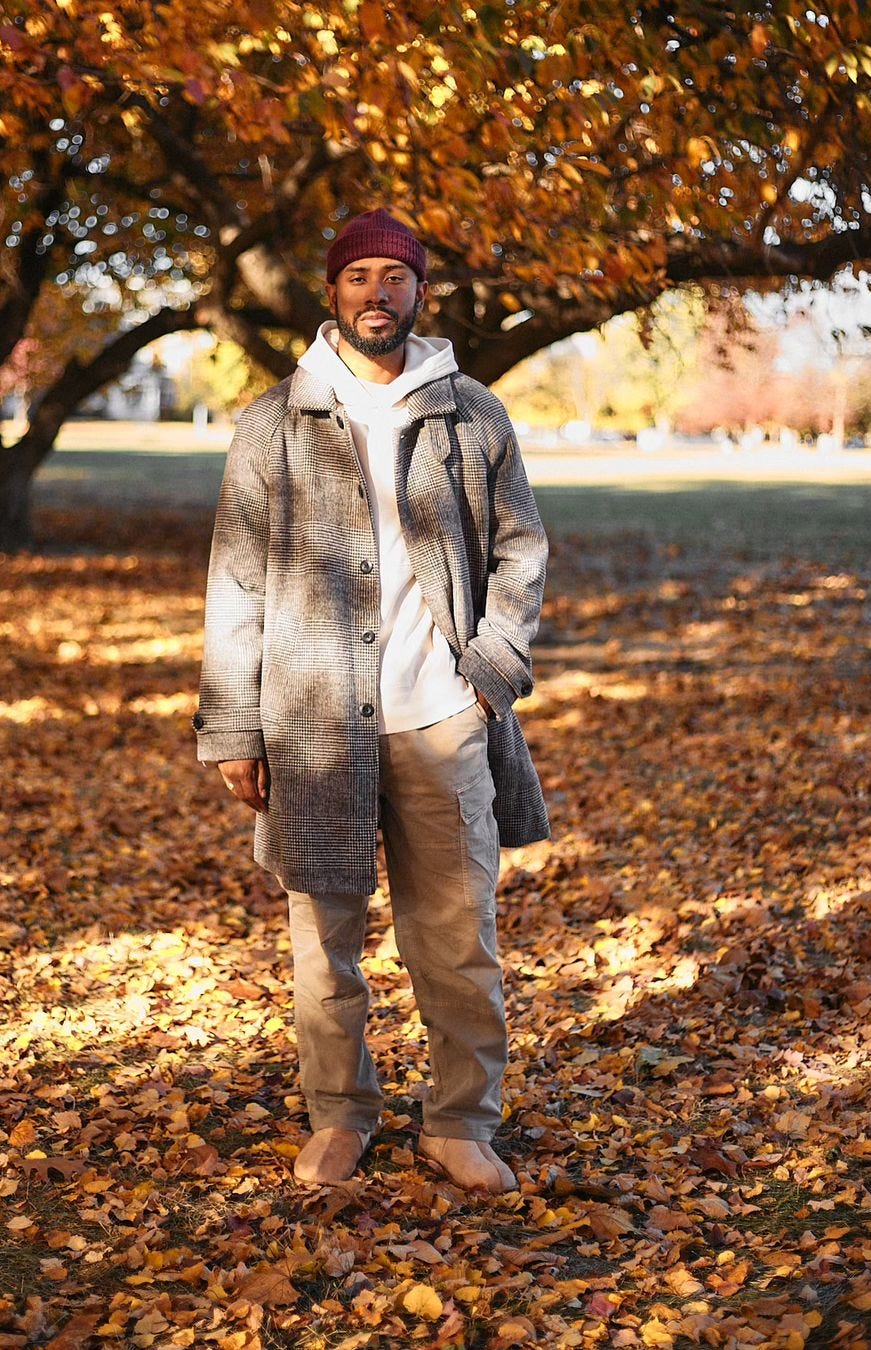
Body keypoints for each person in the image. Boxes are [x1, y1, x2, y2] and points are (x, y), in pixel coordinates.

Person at [193, 208, 550, 1191]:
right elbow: (237, 582)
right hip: (312, 729)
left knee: (458, 941)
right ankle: (341, 1115)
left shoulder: (470, 412)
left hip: (442, 718)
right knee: (325, 947)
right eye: (360, 277)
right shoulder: (274, 421)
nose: (378, 293)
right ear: (333, 293)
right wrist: (234, 723)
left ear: (420, 294)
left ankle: (460, 1122)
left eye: (397, 277)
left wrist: (490, 672)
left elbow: (522, 547)